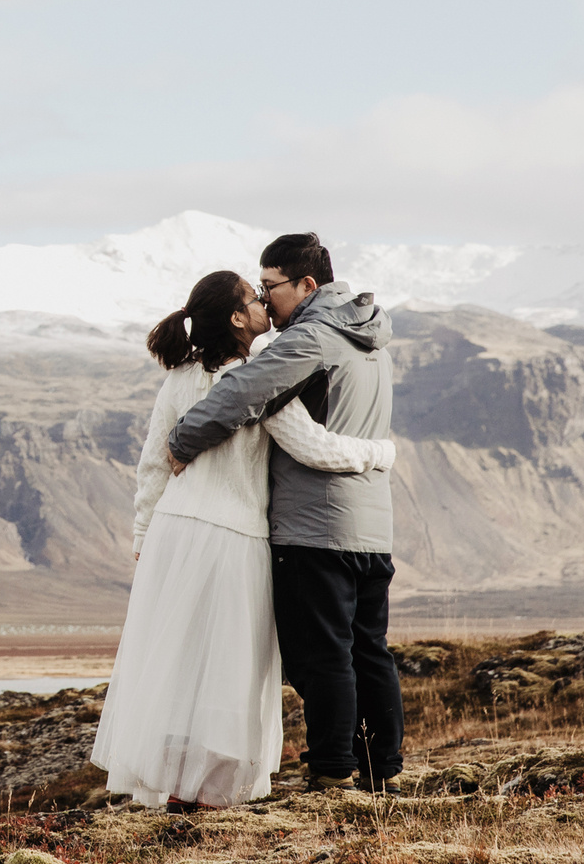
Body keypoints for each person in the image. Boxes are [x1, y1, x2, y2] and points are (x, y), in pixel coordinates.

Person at [90, 269, 393, 809]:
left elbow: (152, 466)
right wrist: (382, 453)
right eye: (254, 298)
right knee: (229, 673)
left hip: (174, 533)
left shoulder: (179, 378)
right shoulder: (260, 378)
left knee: (177, 662)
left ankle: (173, 789)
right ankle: (210, 793)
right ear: (236, 318)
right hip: (235, 537)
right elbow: (313, 447)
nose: (263, 304)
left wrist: (144, 535)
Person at [164, 232, 401, 791]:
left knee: (322, 657)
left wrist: (182, 440)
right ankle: (382, 772)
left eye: (270, 287)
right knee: (370, 651)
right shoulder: (372, 340)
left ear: (307, 285)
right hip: (372, 526)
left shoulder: (311, 339)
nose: (265, 300)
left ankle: (331, 772)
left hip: (316, 528)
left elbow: (240, 392)